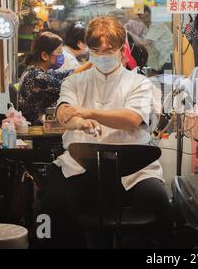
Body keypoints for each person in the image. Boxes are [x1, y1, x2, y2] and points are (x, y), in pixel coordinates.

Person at [40, 16, 172, 248]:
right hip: (79, 166)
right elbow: (64, 113)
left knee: (159, 202)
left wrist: (88, 113)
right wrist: (78, 123)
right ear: (88, 50)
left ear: (122, 50)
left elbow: (132, 119)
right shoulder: (75, 81)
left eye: (108, 50)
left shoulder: (139, 83)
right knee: (52, 202)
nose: (102, 56)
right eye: (96, 50)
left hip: (133, 170)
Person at [18, 31, 92, 125]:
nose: (62, 56)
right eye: (59, 52)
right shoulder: (37, 77)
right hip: (36, 132)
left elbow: (68, 73)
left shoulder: (37, 70)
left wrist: (92, 63)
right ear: (44, 56)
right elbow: (68, 86)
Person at [125, 6, 173, 74]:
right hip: (159, 62)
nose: (146, 20)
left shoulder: (157, 25)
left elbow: (143, 42)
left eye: (147, 16)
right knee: (161, 83)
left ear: (151, 14)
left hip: (168, 60)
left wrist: (127, 32)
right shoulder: (147, 28)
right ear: (140, 18)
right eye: (142, 18)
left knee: (167, 83)